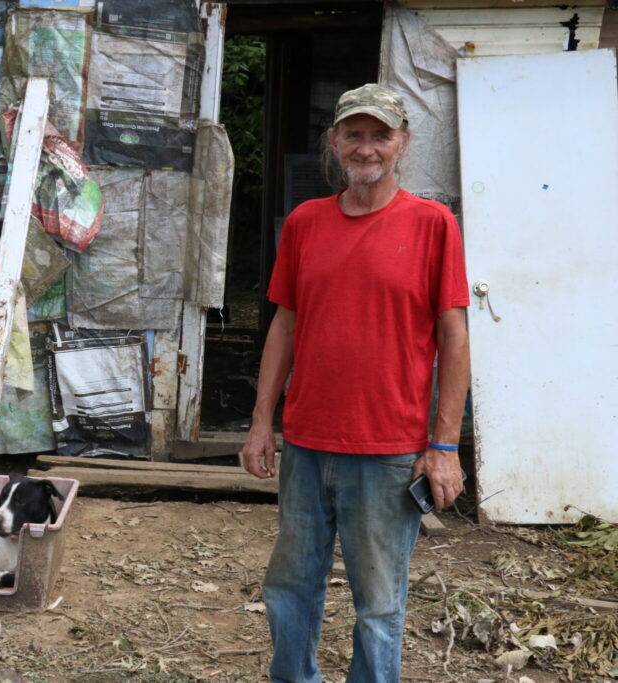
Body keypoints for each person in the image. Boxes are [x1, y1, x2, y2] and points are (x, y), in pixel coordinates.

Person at [241, 83, 471, 683]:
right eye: (354, 134)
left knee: (379, 603)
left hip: (389, 450)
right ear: (334, 143)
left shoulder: (432, 224)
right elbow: (284, 326)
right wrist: (263, 421)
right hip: (309, 442)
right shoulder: (305, 223)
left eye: (380, 135)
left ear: (402, 143)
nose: (366, 147)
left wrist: (443, 447)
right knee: (289, 584)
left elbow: (454, 338)